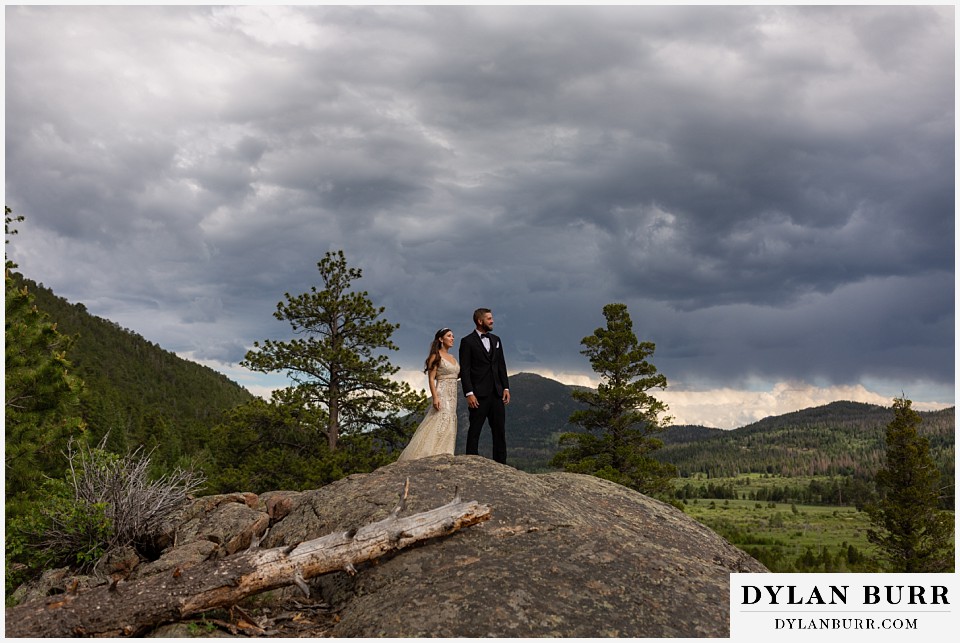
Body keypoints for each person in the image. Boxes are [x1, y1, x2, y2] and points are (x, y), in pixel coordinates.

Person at [397, 328, 460, 461]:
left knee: (449, 421)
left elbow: (455, 375)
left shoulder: (453, 358)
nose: (452, 338)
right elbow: (431, 378)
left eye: (453, 336)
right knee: (439, 420)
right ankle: (427, 454)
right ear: (441, 339)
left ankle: (445, 453)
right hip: (442, 393)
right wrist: (435, 397)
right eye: (449, 336)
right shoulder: (435, 356)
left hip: (453, 394)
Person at [458, 308, 510, 464]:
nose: (492, 321)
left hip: (497, 393)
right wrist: (469, 393)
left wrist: (506, 388)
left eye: (492, 318)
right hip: (478, 395)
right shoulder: (467, 342)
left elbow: (501, 365)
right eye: (489, 318)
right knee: (475, 430)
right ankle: (471, 463)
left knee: (499, 431)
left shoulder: (496, 340)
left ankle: (502, 465)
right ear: (480, 321)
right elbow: (465, 371)